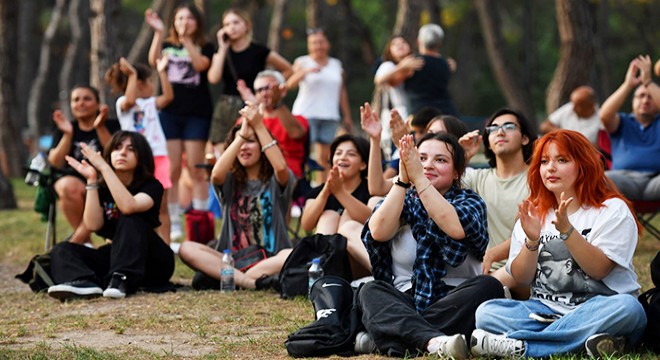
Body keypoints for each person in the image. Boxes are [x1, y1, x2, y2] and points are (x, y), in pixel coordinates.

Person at [471, 130, 647, 358]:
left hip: (599, 308)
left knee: (629, 309)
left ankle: (523, 347)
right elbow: (522, 278)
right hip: (544, 311)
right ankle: (589, 341)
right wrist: (532, 240)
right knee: (486, 313)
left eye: (562, 160)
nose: (550, 168)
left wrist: (567, 231)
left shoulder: (612, 210)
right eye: (544, 162)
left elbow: (599, 269)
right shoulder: (535, 213)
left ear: (583, 165)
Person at [356, 132, 502, 358]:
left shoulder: (471, 201)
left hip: (454, 301)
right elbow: (378, 231)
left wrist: (420, 179)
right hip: (407, 300)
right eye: (420, 158)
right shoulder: (402, 199)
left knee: (489, 286)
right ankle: (435, 342)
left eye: (440, 160)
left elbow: (453, 226)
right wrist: (404, 180)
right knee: (370, 290)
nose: (427, 165)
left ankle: (394, 336)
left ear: (456, 172)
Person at [178, 104, 295, 290]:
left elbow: (280, 168)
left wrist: (259, 127)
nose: (244, 148)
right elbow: (215, 175)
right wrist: (241, 135)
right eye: (240, 143)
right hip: (232, 260)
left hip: (271, 259)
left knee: (291, 254)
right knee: (186, 248)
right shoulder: (229, 181)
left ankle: (233, 278)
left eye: (251, 142)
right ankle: (248, 281)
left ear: (263, 146)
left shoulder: (275, 181)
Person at [47, 131, 175, 300]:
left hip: (153, 261)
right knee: (62, 249)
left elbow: (129, 206)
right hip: (118, 256)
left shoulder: (151, 186)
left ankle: (121, 278)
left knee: (130, 217)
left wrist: (105, 168)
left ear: (141, 157)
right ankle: (84, 282)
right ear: (110, 154)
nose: (122, 152)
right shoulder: (102, 188)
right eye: (117, 148)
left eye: (131, 149)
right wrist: (92, 181)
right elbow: (93, 225)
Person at [145, 4, 214, 240]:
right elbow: (154, 60)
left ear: (198, 22)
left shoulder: (206, 46)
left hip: (197, 113)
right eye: (180, 18)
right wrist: (157, 33)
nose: (185, 22)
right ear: (174, 21)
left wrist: (186, 42)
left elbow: (201, 65)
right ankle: (174, 222)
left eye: (190, 18)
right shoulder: (166, 45)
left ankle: (201, 220)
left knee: (197, 169)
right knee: (172, 169)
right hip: (169, 114)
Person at [459, 108, 536, 294]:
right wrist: (462, 157)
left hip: (524, 275)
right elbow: (437, 193)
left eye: (509, 126)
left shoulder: (538, 178)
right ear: (488, 142)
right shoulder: (475, 179)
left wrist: (494, 254)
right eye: (492, 128)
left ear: (525, 138)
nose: (500, 132)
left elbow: (537, 232)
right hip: (480, 272)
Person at [105, 57, 174, 244]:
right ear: (140, 84)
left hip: (159, 156)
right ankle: (119, 240)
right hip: (135, 159)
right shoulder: (122, 104)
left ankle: (165, 245)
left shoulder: (151, 103)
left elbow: (168, 97)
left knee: (161, 206)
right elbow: (129, 99)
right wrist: (133, 75)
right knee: (129, 202)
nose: (153, 86)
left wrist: (162, 72)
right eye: (151, 81)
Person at [207, 7, 292, 147]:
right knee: (221, 150)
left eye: (236, 22)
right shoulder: (223, 52)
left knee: (248, 146)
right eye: (227, 24)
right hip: (225, 106)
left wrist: (272, 91)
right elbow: (213, 78)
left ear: (246, 25)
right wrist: (222, 48)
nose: (231, 28)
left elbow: (288, 69)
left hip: (250, 104)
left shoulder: (259, 51)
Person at [47, 85, 120, 245]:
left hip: (107, 181)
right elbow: (55, 163)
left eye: (87, 98)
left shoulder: (112, 125)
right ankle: (86, 243)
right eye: (76, 99)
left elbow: (117, 155)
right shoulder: (64, 127)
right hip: (75, 181)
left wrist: (99, 127)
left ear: (97, 103)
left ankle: (76, 243)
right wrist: (67, 134)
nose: (81, 103)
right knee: (66, 186)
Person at [287, 28, 352, 182]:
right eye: (314, 43)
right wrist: (304, 72)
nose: (318, 46)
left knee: (326, 157)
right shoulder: (302, 62)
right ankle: (302, 188)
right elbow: (289, 85)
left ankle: (323, 188)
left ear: (327, 44)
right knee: (304, 154)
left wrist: (347, 115)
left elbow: (341, 91)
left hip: (330, 114)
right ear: (309, 45)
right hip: (306, 114)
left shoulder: (336, 64)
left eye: (321, 42)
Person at [600, 55, 660, 201]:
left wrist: (648, 82)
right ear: (632, 100)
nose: (645, 100)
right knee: (601, 178)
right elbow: (604, 115)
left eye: (650, 96)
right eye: (640, 96)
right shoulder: (622, 121)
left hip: (656, 181)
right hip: (623, 180)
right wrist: (628, 84)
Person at [236, 70, 308, 179]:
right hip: (254, 174)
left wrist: (276, 104)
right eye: (259, 90)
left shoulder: (299, 119)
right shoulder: (246, 120)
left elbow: (296, 133)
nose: (264, 93)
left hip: (286, 174)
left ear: (282, 91)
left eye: (268, 88)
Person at [300, 134, 372, 234]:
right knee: (328, 216)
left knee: (347, 215)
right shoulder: (320, 191)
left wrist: (340, 192)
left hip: (356, 246)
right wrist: (325, 193)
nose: (342, 157)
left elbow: (373, 220)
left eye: (351, 154)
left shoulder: (371, 190)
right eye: (338, 153)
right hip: (326, 245)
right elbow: (306, 225)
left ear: (363, 164)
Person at [374, 35, 423, 157]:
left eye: (403, 42)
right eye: (395, 44)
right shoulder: (388, 65)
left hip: (413, 115)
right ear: (389, 50)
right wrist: (402, 66)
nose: (400, 45)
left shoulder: (416, 64)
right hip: (394, 117)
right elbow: (379, 80)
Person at [404, 24, 457, 116]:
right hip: (447, 113)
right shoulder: (446, 63)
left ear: (419, 41)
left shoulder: (413, 63)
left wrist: (401, 66)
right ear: (439, 43)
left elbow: (385, 80)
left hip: (422, 115)